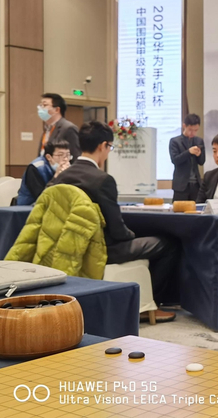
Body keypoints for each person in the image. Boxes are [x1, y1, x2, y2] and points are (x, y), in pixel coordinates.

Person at [50, 121, 180, 323]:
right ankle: (151, 305)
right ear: (103, 145)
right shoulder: (102, 180)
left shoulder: (61, 177)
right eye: (110, 147)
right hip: (102, 250)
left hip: (68, 248)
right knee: (167, 244)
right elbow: (118, 232)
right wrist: (133, 235)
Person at [16, 140, 71, 205]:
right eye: (60, 155)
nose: (65, 159)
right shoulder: (35, 168)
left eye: (67, 155)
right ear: (48, 157)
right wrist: (56, 177)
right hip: (29, 206)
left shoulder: (69, 167)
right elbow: (42, 197)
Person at [169, 114, 206, 201]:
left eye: (196, 130)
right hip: (181, 184)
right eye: (190, 130)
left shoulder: (199, 141)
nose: (193, 133)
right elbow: (175, 160)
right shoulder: (175, 141)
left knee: (196, 208)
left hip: (196, 184)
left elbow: (202, 162)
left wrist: (199, 155)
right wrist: (189, 152)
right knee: (179, 208)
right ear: (184, 126)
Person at [37, 93, 81, 163]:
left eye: (44, 105)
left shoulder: (69, 128)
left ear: (57, 110)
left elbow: (75, 156)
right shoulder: (46, 129)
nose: (41, 108)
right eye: (40, 105)